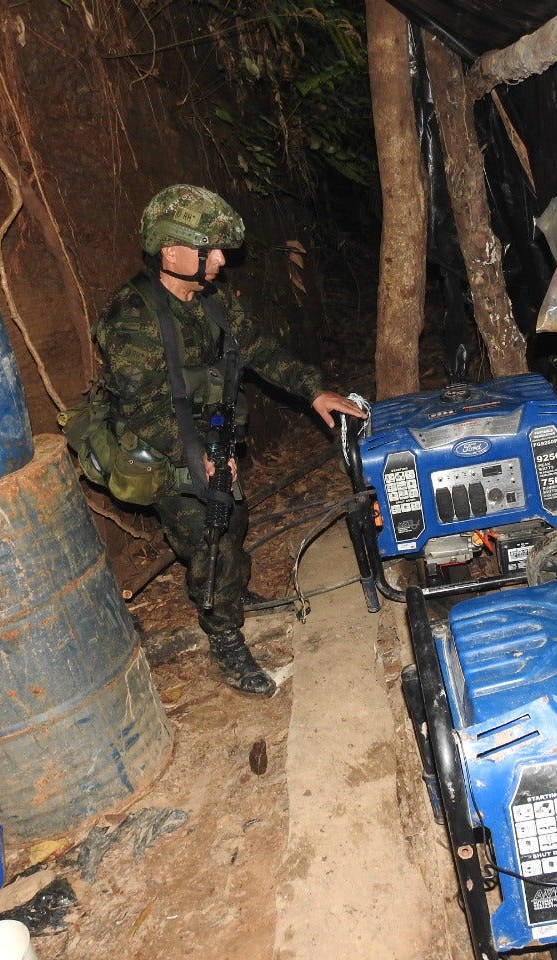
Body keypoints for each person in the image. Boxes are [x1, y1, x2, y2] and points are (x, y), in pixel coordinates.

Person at [93, 184, 364, 697]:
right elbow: (143, 407)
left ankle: (234, 593)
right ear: (171, 251)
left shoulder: (212, 302)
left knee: (235, 521)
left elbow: (259, 348)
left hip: (211, 435)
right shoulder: (132, 318)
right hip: (162, 447)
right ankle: (223, 636)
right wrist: (200, 460)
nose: (220, 260)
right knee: (209, 536)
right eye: (209, 250)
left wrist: (313, 392)